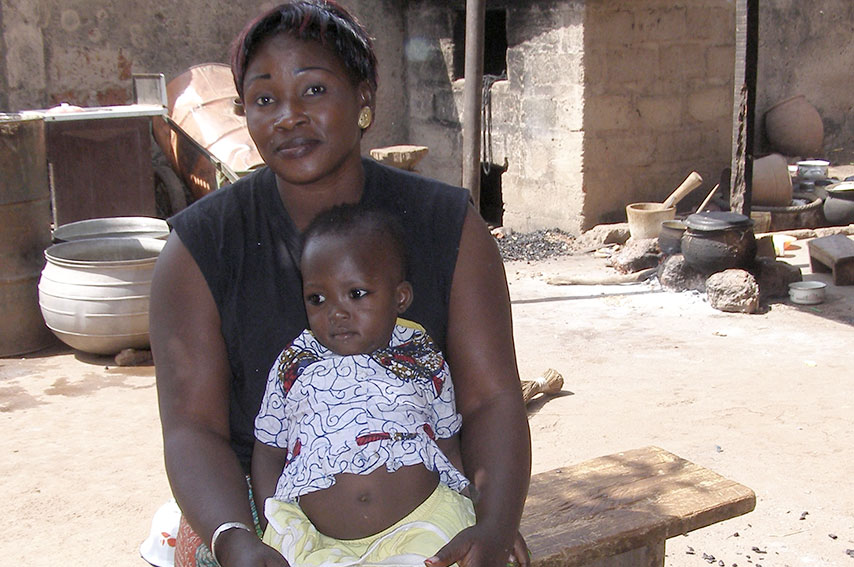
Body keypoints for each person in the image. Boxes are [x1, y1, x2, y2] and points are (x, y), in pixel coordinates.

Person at [149, 2, 531, 566]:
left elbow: (491, 399)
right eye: (264, 99)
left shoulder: (447, 225)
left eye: (314, 91)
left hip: (425, 511)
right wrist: (237, 540)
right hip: (258, 517)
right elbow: (192, 430)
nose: (288, 116)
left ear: (364, 102)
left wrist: (495, 523)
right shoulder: (200, 248)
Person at [254, 203, 476, 566]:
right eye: (317, 298)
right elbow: (267, 451)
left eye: (356, 293)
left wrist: (476, 509)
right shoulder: (295, 362)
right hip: (320, 542)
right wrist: (272, 524)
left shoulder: (420, 355)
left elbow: (447, 442)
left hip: (421, 525)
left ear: (399, 297)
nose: (336, 312)